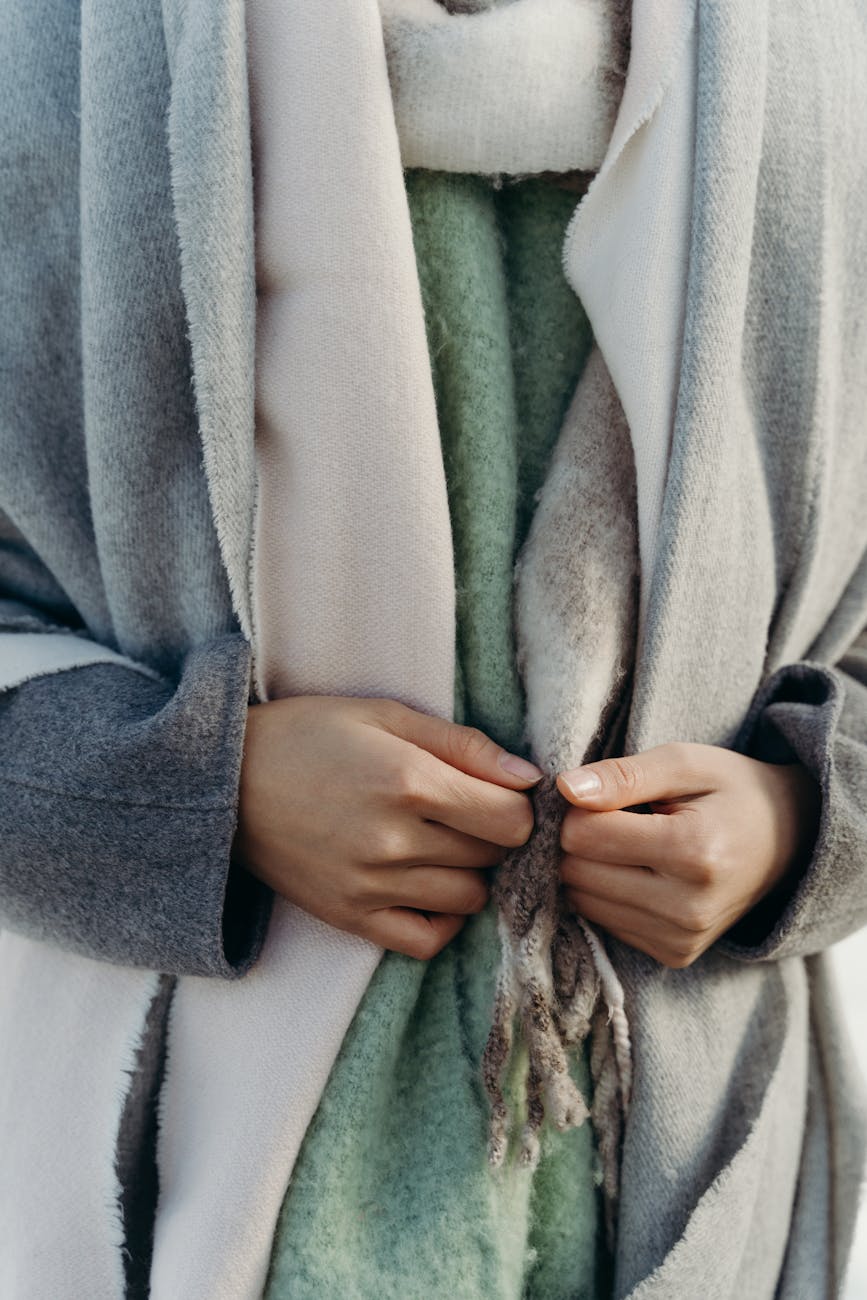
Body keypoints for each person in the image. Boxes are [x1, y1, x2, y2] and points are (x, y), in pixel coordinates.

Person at [1, 0, 866, 1297]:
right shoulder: (58, 49)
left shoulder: (820, 74)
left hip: (673, 1184)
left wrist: (797, 822)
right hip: (199, 1180)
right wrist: (199, 791)